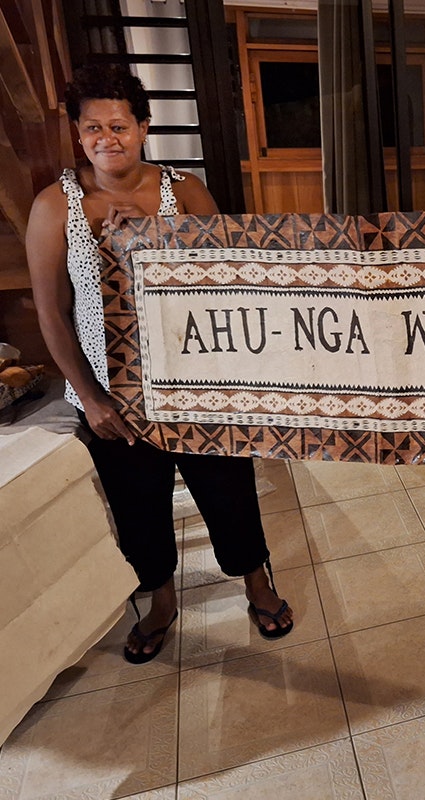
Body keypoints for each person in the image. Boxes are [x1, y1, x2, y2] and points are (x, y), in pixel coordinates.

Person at [26, 64, 295, 664]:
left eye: (119, 125)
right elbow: (52, 313)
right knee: (137, 504)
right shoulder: (56, 208)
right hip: (112, 397)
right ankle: (162, 602)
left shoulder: (185, 193)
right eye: (92, 127)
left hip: (196, 383)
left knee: (229, 489)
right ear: (77, 133)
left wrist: (157, 237)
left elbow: (228, 282)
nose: (106, 138)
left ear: (144, 126)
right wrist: (90, 398)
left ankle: (257, 583)